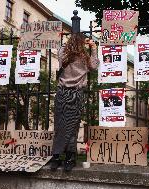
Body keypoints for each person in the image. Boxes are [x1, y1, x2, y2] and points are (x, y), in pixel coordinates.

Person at [50, 34, 99, 171]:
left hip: (61, 93)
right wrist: (93, 47)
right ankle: (70, 160)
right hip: (76, 94)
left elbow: (62, 49)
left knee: (60, 126)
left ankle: (56, 158)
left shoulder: (63, 54)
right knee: (72, 126)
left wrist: (70, 42)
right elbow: (95, 65)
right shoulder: (84, 58)